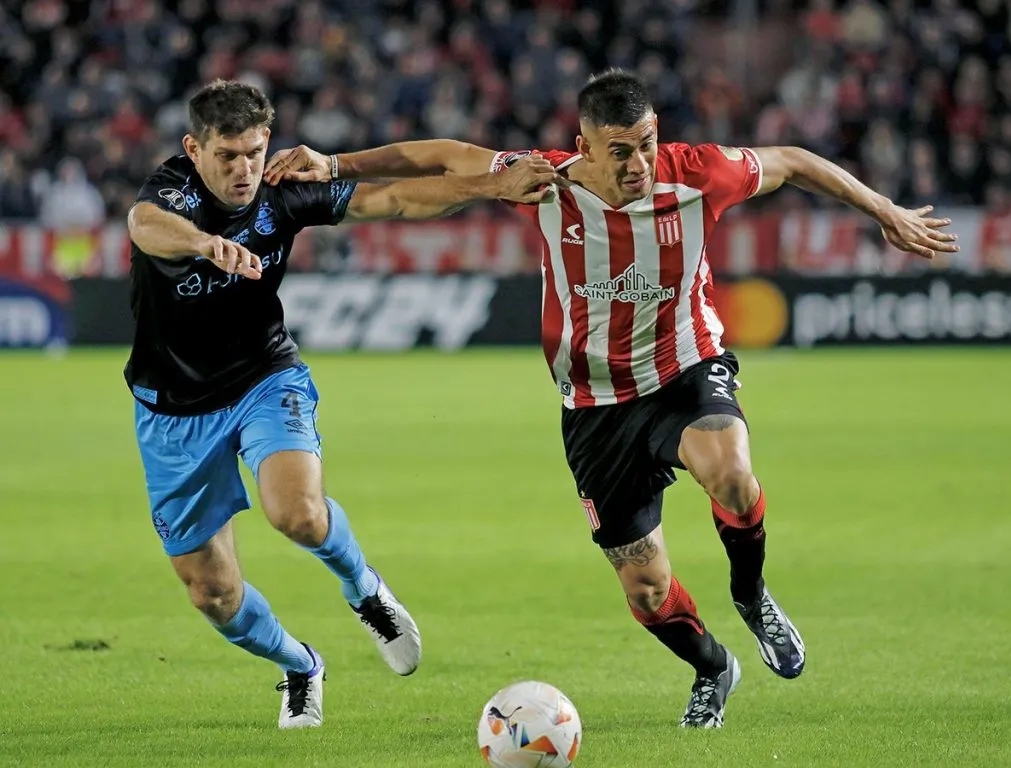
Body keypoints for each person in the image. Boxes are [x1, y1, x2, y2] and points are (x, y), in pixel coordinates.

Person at [263, 69, 958, 729]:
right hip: (595, 407)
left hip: (685, 367)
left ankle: (751, 595)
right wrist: (336, 164)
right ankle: (713, 669)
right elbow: (443, 156)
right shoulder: (544, 180)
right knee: (647, 590)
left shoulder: (698, 174)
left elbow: (795, 160)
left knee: (732, 473)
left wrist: (883, 210)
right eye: (619, 151)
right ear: (583, 147)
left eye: (646, 145)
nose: (637, 164)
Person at [125, 79, 559, 730]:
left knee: (296, 513)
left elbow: (399, 198)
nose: (244, 169)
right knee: (212, 593)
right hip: (170, 410)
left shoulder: (282, 189)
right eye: (227, 156)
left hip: (264, 379)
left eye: (253, 151)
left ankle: (365, 590)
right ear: (195, 148)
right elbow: (144, 225)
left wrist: (488, 188)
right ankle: (300, 665)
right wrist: (203, 244)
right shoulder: (171, 192)